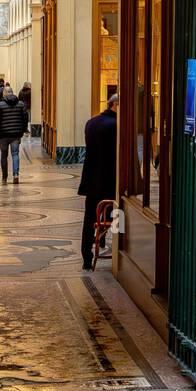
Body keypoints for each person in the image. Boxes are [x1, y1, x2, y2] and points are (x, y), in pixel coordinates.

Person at [78, 90, 119, 271]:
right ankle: (120, 253)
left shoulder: (91, 123)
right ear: (115, 105)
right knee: (119, 217)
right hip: (110, 181)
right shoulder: (116, 125)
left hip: (91, 180)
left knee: (89, 220)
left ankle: (86, 258)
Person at [0, 83, 29, 184]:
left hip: (3, 135)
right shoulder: (21, 104)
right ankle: (16, 174)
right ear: (12, 93)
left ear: (4, 94)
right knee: (15, 154)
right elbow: (25, 118)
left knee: (4, 155)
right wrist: (22, 129)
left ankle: (4, 177)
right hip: (16, 134)